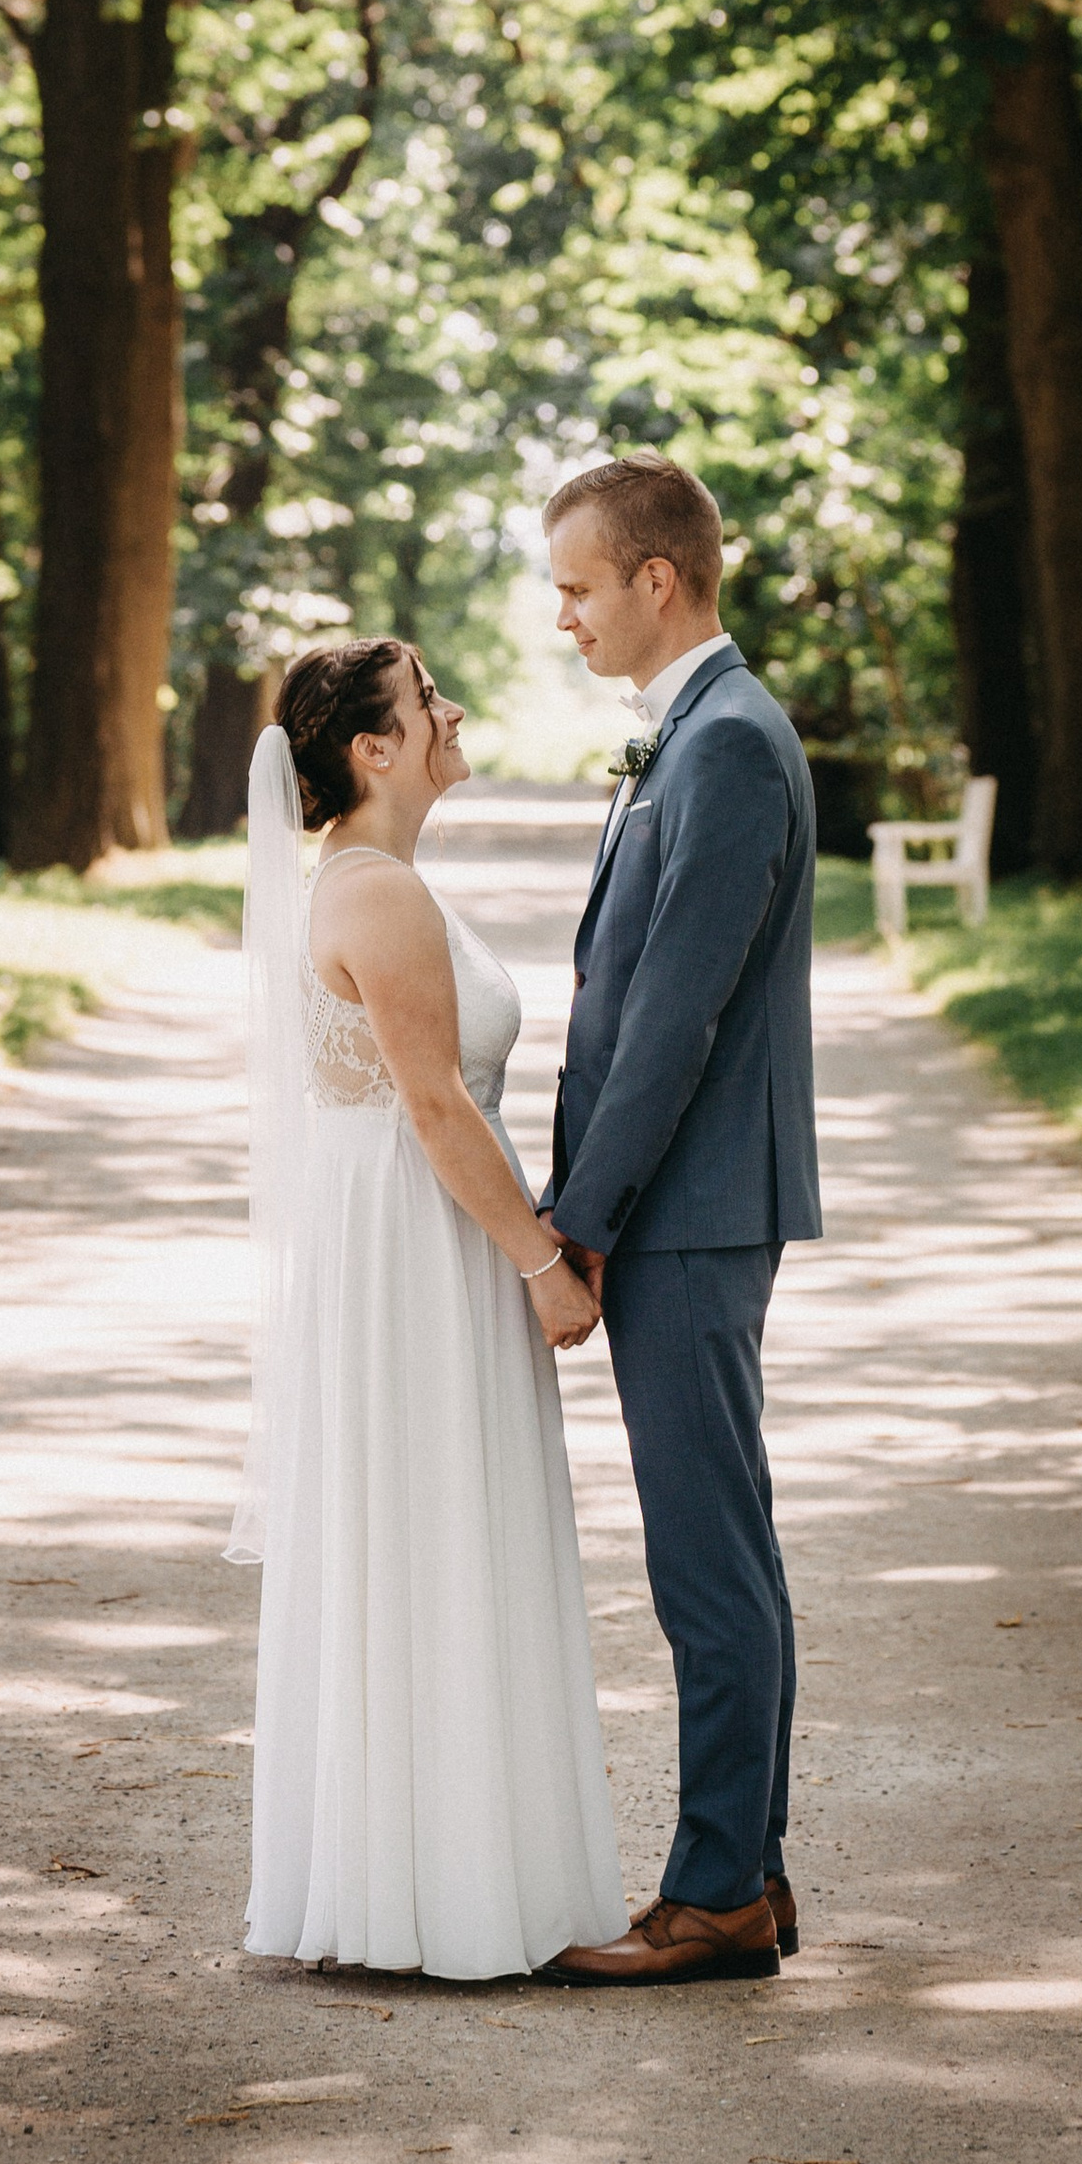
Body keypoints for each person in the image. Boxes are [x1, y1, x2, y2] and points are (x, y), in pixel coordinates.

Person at [231, 635, 627, 1984]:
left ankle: (439, 1874)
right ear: (373, 748)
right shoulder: (377, 893)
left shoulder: (378, 879)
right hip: (419, 1239)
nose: (450, 713)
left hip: (408, 1228)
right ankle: (433, 1893)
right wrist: (539, 1265)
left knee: (431, 1526)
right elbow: (437, 1105)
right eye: (425, 702)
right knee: (435, 1524)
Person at [537, 454, 820, 1987]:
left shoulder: (723, 745)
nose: (565, 617)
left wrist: (582, 1220)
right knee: (726, 1551)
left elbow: (674, 1020)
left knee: (708, 1562)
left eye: (579, 587)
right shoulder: (702, 730)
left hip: (690, 1213)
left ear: (659, 578)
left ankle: (716, 1890)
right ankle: (747, 1872)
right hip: (686, 1205)